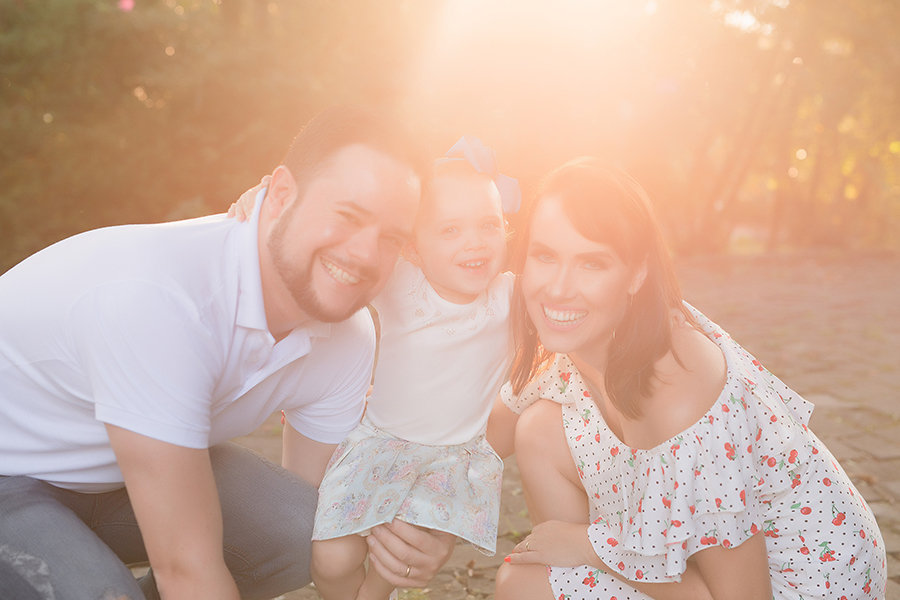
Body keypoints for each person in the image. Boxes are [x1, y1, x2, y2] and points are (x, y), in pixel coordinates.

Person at [0, 105, 456, 600]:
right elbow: (187, 569)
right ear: (281, 194)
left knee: (304, 530)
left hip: (110, 480)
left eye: (391, 238)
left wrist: (419, 537)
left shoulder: (347, 334)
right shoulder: (158, 301)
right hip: (9, 476)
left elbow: (323, 522)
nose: (366, 255)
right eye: (348, 216)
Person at [490, 158, 886, 599]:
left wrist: (588, 547)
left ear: (637, 273)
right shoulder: (575, 352)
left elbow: (744, 596)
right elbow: (481, 440)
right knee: (539, 429)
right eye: (545, 256)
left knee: (522, 587)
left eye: (592, 263)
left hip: (802, 585)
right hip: (707, 576)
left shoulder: (678, 388)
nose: (559, 288)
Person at [229, 136, 521, 600]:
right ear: (412, 247)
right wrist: (268, 203)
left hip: (452, 462)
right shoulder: (402, 282)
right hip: (378, 446)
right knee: (331, 559)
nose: (474, 243)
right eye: (449, 230)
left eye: (488, 225)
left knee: (398, 563)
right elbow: (332, 253)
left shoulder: (511, 299)